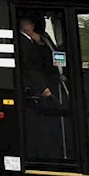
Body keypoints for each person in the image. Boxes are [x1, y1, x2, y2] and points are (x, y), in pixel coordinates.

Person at [17, 16, 66, 160]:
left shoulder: (36, 40)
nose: (33, 26)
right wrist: (42, 87)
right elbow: (29, 68)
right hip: (37, 87)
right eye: (29, 23)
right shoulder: (23, 42)